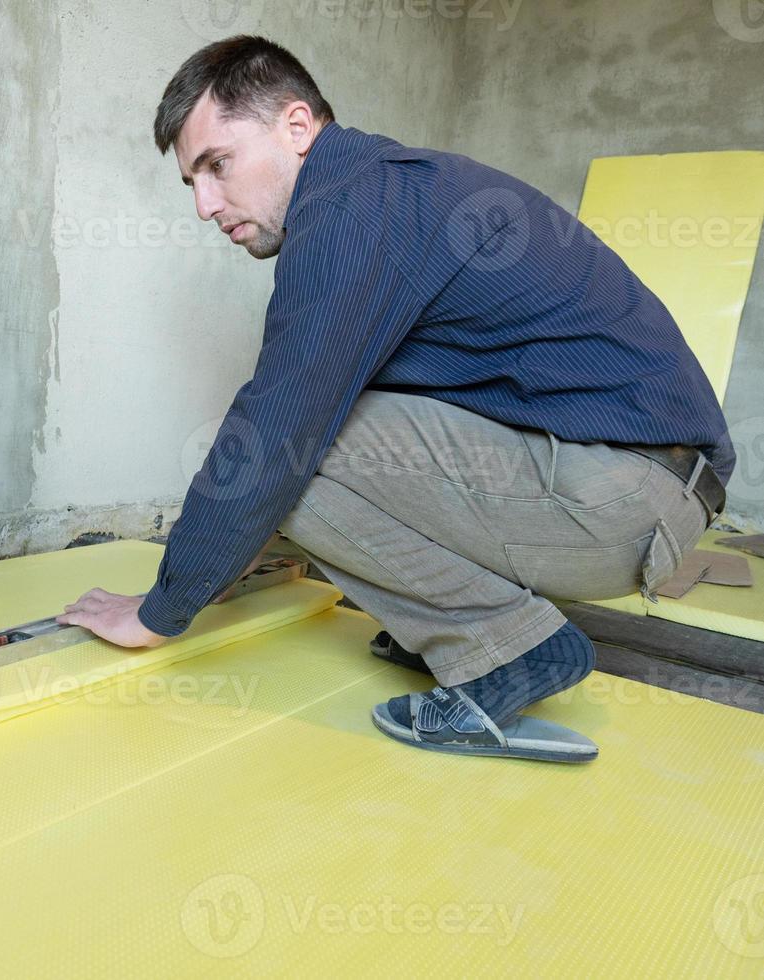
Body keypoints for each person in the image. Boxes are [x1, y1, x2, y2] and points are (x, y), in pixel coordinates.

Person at [56, 35, 731, 762]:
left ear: (295, 126)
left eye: (216, 166)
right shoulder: (390, 189)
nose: (203, 205)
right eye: (191, 182)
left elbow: (277, 426)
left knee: (298, 444)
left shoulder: (348, 211)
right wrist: (228, 566)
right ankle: (474, 631)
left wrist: (163, 607)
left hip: (622, 505)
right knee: (313, 429)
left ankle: (508, 653)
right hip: (638, 491)